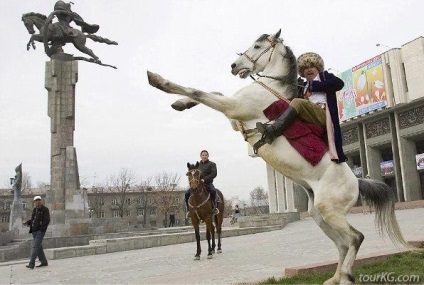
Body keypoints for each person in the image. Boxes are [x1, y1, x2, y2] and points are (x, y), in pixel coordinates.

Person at [256, 52, 347, 163]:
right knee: (285, 105)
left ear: (318, 68)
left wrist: (314, 86)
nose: (308, 69)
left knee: (298, 102)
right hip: (310, 116)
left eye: (311, 67)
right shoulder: (303, 86)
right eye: (305, 68)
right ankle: (272, 129)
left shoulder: (324, 77)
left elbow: (339, 83)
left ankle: (273, 131)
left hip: (324, 116)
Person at [185, 150, 219, 217]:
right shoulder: (198, 165)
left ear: (208, 156)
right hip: (198, 184)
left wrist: (204, 179)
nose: (204, 156)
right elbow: (193, 174)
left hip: (208, 183)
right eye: (203, 155)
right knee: (186, 193)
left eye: (205, 155)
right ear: (201, 156)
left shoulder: (212, 164)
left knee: (213, 191)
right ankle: (188, 210)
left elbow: (214, 174)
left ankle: (215, 207)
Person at [24, 196, 50, 269]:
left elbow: (47, 220)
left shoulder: (45, 209)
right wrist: (27, 223)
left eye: (39, 200)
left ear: (41, 201)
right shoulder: (35, 210)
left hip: (40, 231)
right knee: (38, 247)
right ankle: (44, 261)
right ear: (34, 202)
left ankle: (31, 263)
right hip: (34, 231)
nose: (38, 201)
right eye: (36, 200)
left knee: (35, 246)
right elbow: (33, 220)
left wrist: (42, 229)